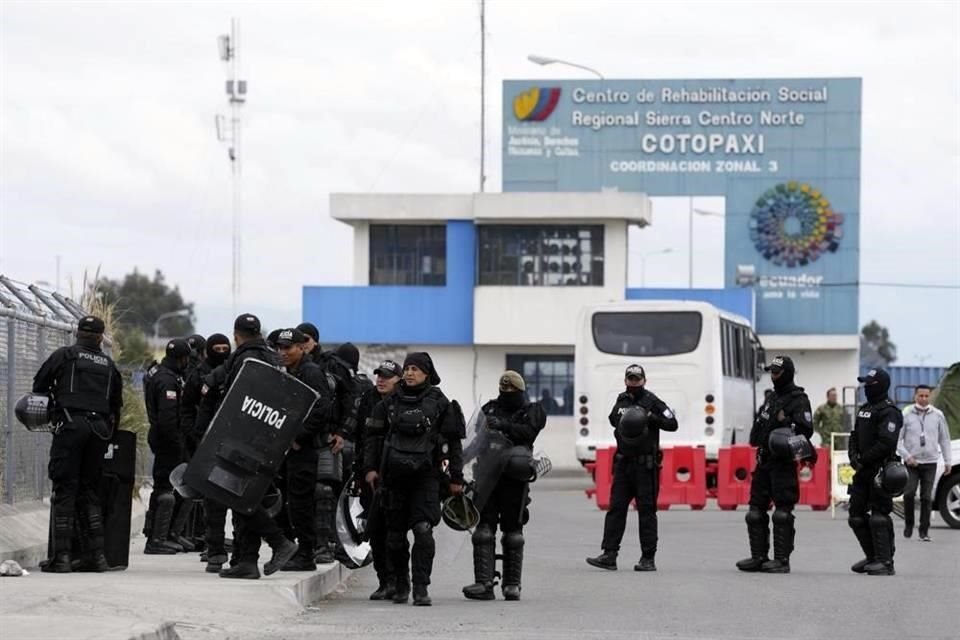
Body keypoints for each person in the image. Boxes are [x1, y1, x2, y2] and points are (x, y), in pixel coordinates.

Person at [363, 352, 465, 606]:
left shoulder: (440, 402)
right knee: (395, 537)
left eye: (415, 369)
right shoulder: (388, 403)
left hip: (426, 477)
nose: (409, 373)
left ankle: (421, 587)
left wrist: (456, 478)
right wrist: (370, 469)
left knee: (423, 530)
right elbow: (373, 439)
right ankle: (401, 584)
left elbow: (454, 444)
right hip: (393, 478)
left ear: (427, 373)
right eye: (407, 368)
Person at [33, 315, 123, 573]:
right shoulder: (108, 365)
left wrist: (54, 407)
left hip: (71, 427)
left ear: (77, 333)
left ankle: (61, 558)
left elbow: (39, 385)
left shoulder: (65, 355)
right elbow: (116, 405)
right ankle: (97, 557)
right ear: (100, 338)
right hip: (100, 431)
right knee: (89, 491)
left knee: (65, 488)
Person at [215, 314, 298, 580]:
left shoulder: (243, 359)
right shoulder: (274, 357)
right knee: (249, 496)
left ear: (236, 335)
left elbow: (235, 400)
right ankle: (247, 560)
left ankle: (279, 543)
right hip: (270, 436)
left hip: (244, 437)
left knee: (237, 495)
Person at [586, 364, 678, 572]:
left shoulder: (652, 401)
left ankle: (648, 558)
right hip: (624, 463)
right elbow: (612, 420)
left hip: (645, 466)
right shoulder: (622, 400)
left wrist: (651, 418)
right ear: (625, 380)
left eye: (637, 379)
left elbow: (672, 423)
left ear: (644, 380)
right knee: (616, 509)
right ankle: (609, 555)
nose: (634, 382)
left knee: (646, 511)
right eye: (631, 378)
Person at [463, 370, 545, 601]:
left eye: (511, 390)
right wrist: (459, 461)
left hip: (514, 480)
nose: (506, 393)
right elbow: (477, 442)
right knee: (483, 531)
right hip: (487, 476)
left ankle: (512, 585)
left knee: (513, 533)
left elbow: (528, 433)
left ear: (520, 391)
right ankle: (484, 583)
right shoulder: (488, 409)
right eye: (503, 389)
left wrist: (505, 425)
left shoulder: (533, 411)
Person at [736, 355, 813, 574]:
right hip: (764, 462)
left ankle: (781, 560)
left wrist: (786, 431)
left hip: (783, 463)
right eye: (771, 372)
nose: (773, 376)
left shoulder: (798, 399)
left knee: (782, 512)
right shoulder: (771, 398)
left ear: (787, 373)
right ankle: (758, 557)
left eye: (777, 372)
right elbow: (759, 428)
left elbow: (806, 431)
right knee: (755, 511)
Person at [275, 328, 339, 571]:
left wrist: (298, 437)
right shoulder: (290, 371)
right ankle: (301, 550)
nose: (283, 352)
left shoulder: (310, 372)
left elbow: (321, 410)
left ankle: (306, 554)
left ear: (301, 347)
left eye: (288, 348)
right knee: (293, 501)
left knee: (302, 502)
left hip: (305, 448)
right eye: (279, 348)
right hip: (289, 448)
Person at [355, 359, 403, 600]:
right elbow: (361, 438)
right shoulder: (368, 400)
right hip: (370, 476)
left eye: (387, 376)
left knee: (395, 532)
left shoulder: (406, 401)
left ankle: (398, 581)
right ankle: (384, 580)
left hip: (397, 476)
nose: (381, 380)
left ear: (398, 380)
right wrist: (361, 472)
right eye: (379, 376)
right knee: (375, 530)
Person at [848, 368, 903, 575]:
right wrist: (854, 457)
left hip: (881, 470)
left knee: (879, 515)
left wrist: (864, 459)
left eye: (869, 385)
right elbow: (854, 435)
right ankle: (872, 557)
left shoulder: (889, 412)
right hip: (862, 470)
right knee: (856, 516)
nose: (866, 388)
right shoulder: (865, 408)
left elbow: (886, 443)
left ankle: (885, 561)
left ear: (879, 386)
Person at [143, 338, 191, 555]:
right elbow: (167, 419)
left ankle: (167, 534)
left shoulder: (167, 375)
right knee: (165, 488)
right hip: (167, 440)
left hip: (167, 438)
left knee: (172, 487)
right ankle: (157, 539)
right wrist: (177, 444)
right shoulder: (167, 380)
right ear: (182, 358)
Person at [898, 385, 951, 541]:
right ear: (915, 396)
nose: (923, 399)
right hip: (912, 462)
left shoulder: (938, 415)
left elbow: (944, 439)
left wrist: (948, 461)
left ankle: (924, 531)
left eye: (926, 396)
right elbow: (898, 441)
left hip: (930, 462)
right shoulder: (906, 414)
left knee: (926, 497)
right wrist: (907, 457)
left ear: (930, 397)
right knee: (908, 494)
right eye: (920, 396)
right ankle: (909, 523)